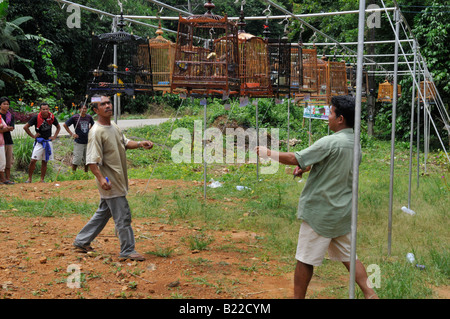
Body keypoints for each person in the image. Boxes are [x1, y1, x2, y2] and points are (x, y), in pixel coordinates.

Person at [256, 95, 378, 299]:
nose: (328, 117)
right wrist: (309, 167)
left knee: (305, 259)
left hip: (320, 213)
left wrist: (269, 153)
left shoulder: (330, 142)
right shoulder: (355, 144)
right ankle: (370, 294)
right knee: (350, 257)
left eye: (330, 113)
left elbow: (295, 157)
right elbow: (336, 166)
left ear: (340, 119)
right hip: (342, 211)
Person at [73, 95, 154, 261]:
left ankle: (81, 241)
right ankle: (127, 250)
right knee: (123, 215)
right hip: (110, 181)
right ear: (95, 110)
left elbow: (124, 142)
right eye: (103, 104)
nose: (108, 106)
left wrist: (140, 144)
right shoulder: (96, 132)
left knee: (104, 212)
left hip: (118, 179)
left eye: (109, 102)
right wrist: (102, 179)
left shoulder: (113, 126)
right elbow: (91, 161)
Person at [23, 102, 61, 183]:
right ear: (40, 110)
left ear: (49, 109)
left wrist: (54, 136)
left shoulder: (52, 117)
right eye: (43, 109)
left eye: (47, 109)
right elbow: (25, 127)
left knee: (45, 161)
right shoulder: (36, 117)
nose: (45, 111)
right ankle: (29, 178)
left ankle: (42, 179)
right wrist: (33, 136)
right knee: (33, 160)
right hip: (39, 141)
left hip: (48, 141)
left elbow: (58, 127)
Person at [63, 103, 95, 172]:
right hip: (78, 141)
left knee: (87, 159)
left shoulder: (89, 117)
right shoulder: (75, 117)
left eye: (85, 108)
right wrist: (72, 134)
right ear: (79, 109)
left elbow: (93, 124)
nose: (84, 110)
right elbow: (65, 125)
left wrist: (90, 130)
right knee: (77, 159)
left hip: (87, 141)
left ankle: (85, 173)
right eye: (83, 108)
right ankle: (73, 174)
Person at [0, 96, 14, 184]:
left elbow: (12, 128)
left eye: (7, 104)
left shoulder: (10, 116)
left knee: (8, 161)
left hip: (8, 140)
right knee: (1, 161)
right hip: (1, 141)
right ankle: (2, 179)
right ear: (0, 105)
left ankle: (7, 179)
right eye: (4, 104)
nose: (6, 106)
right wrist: (6, 128)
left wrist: (4, 129)